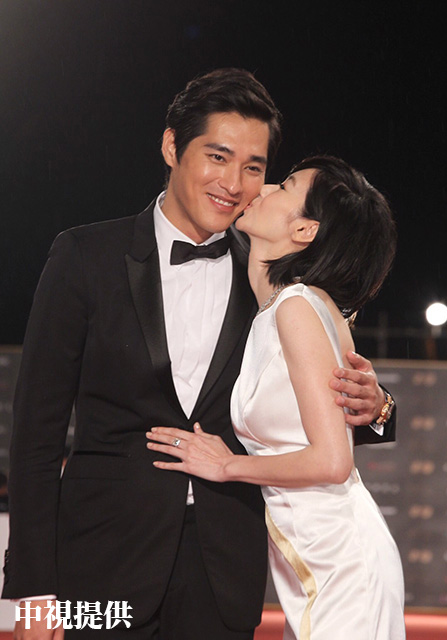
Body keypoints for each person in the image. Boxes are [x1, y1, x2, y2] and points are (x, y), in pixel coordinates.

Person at [3, 69, 396, 640]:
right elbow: (35, 437)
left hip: (222, 573)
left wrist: (379, 408)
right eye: (217, 156)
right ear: (171, 147)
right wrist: (32, 591)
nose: (234, 183)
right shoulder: (84, 257)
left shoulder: (271, 278)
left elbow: (309, 417)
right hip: (101, 564)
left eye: (255, 168)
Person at [147, 156, 405, 639]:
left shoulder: (297, 305)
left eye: (284, 185)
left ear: (305, 230)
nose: (263, 187)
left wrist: (227, 466)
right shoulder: (293, 303)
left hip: (340, 563)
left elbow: (333, 461)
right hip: (311, 561)